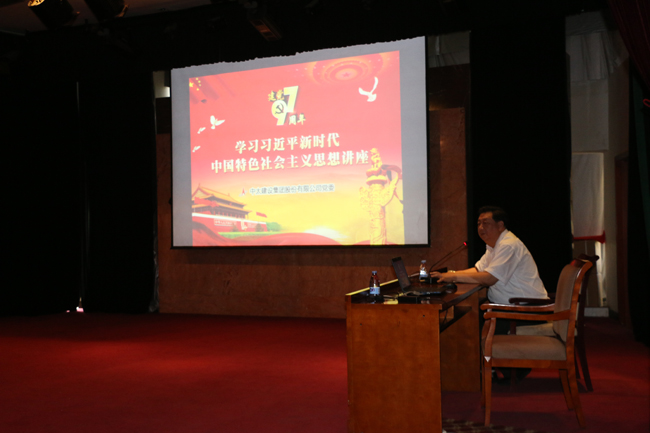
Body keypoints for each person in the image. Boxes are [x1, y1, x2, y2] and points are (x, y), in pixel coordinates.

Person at [432, 206, 548, 381]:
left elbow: (489, 278)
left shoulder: (508, 245)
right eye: (478, 223)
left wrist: (452, 276)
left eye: (486, 223)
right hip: (511, 306)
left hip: (526, 309)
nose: (480, 227)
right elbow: (478, 270)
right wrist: (449, 275)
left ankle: (497, 371)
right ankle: (482, 370)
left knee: (472, 323)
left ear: (500, 225)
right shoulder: (494, 246)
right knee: (469, 317)